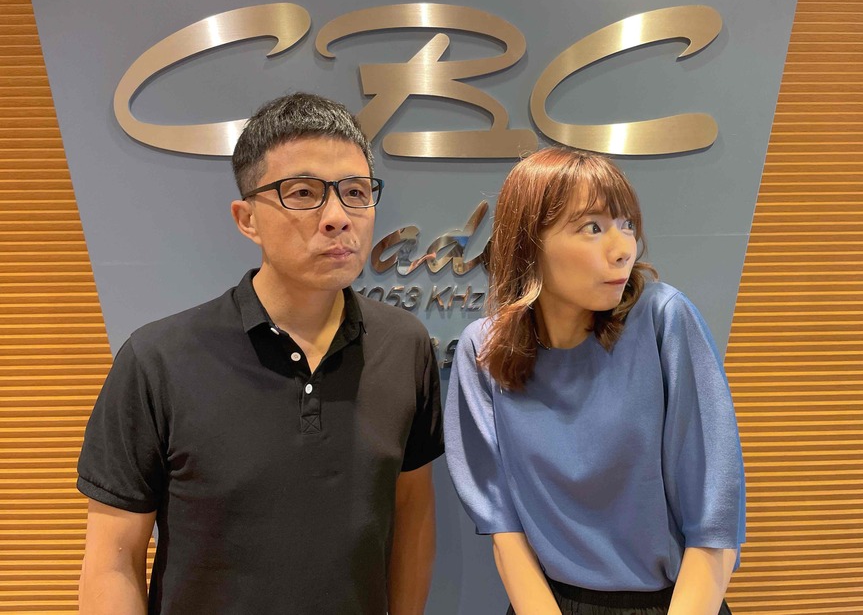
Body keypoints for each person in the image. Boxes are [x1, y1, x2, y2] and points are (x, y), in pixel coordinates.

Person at [77, 92, 444, 615]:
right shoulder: (157, 360)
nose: (338, 217)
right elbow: (113, 561)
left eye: (356, 192)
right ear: (246, 218)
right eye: (303, 193)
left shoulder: (405, 345)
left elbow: (412, 514)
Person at [444, 146, 745, 615]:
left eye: (627, 225)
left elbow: (714, 524)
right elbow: (504, 529)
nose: (623, 249)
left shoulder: (663, 319)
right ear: (529, 242)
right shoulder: (483, 350)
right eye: (593, 227)